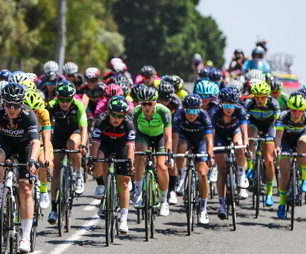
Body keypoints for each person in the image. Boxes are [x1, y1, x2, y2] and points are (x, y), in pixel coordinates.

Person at [0, 82, 41, 254]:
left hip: (25, 147)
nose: (12, 108)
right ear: (3, 102)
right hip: (6, 143)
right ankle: (0, 195)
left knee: (25, 189)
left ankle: (25, 237)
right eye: (8, 104)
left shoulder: (28, 114)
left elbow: (35, 142)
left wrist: (32, 160)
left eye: (16, 105)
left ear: (21, 103)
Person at [88, 96, 136, 235]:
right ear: (109, 112)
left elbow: (130, 148)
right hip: (105, 144)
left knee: (124, 183)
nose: (117, 118)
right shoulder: (101, 120)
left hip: (121, 146)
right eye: (114, 114)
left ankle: (124, 220)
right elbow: (95, 144)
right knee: (99, 158)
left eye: (120, 116)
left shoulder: (128, 123)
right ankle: (102, 186)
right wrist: (92, 160)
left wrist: (130, 164)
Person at [46, 81, 88, 223]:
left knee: (71, 145)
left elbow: (84, 129)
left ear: (73, 97)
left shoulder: (78, 104)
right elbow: (45, 125)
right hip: (58, 134)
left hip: (74, 132)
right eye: (61, 99)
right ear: (57, 97)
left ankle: (78, 175)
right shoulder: (52, 105)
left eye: (68, 99)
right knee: (56, 170)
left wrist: (83, 144)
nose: (65, 102)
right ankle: (53, 209)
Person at [171, 94, 214, 224]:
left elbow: (209, 139)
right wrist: (172, 156)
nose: (191, 114)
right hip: (185, 140)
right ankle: (180, 176)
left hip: (200, 141)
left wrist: (210, 155)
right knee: (180, 147)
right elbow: (174, 138)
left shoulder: (204, 116)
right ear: (184, 109)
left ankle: (203, 209)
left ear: (199, 109)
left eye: (194, 111)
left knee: (202, 174)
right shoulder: (178, 115)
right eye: (188, 111)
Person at [130, 86, 173, 215]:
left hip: (160, 137)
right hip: (143, 137)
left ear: (155, 102)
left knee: (162, 167)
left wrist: (169, 156)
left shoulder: (164, 111)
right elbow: (131, 136)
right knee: (139, 155)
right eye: (144, 103)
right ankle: (137, 193)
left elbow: (168, 137)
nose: (147, 107)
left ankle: (164, 201)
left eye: (150, 103)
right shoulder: (135, 112)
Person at [210, 87, 250, 220]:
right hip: (219, 136)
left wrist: (247, 148)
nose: (229, 109)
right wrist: (211, 153)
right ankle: (221, 204)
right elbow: (211, 135)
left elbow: (244, 133)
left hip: (235, 132)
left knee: (239, 146)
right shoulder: (214, 112)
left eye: (232, 105)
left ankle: (241, 173)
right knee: (221, 169)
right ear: (221, 104)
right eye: (226, 105)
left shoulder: (240, 110)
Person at [274, 93, 306, 219]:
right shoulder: (283, 116)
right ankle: (281, 204)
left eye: (299, 111)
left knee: (305, 147)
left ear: (304, 111)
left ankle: (304, 180)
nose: (296, 114)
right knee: (285, 171)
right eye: (293, 111)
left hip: (300, 138)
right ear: (289, 109)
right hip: (286, 141)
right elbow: (278, 136)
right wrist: (277, 147)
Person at [243, 80, 280, 207]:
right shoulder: (249, 103)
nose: (259, 100)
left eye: (263, 97)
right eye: (257, 97)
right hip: (254, 125)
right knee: (251, 137)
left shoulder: (273, 103)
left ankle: (269, 193)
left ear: (267, 96)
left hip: (269, 126)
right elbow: (244, 121)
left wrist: (276, 140)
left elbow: (278, 122)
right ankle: (250, 167)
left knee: (269, 159)